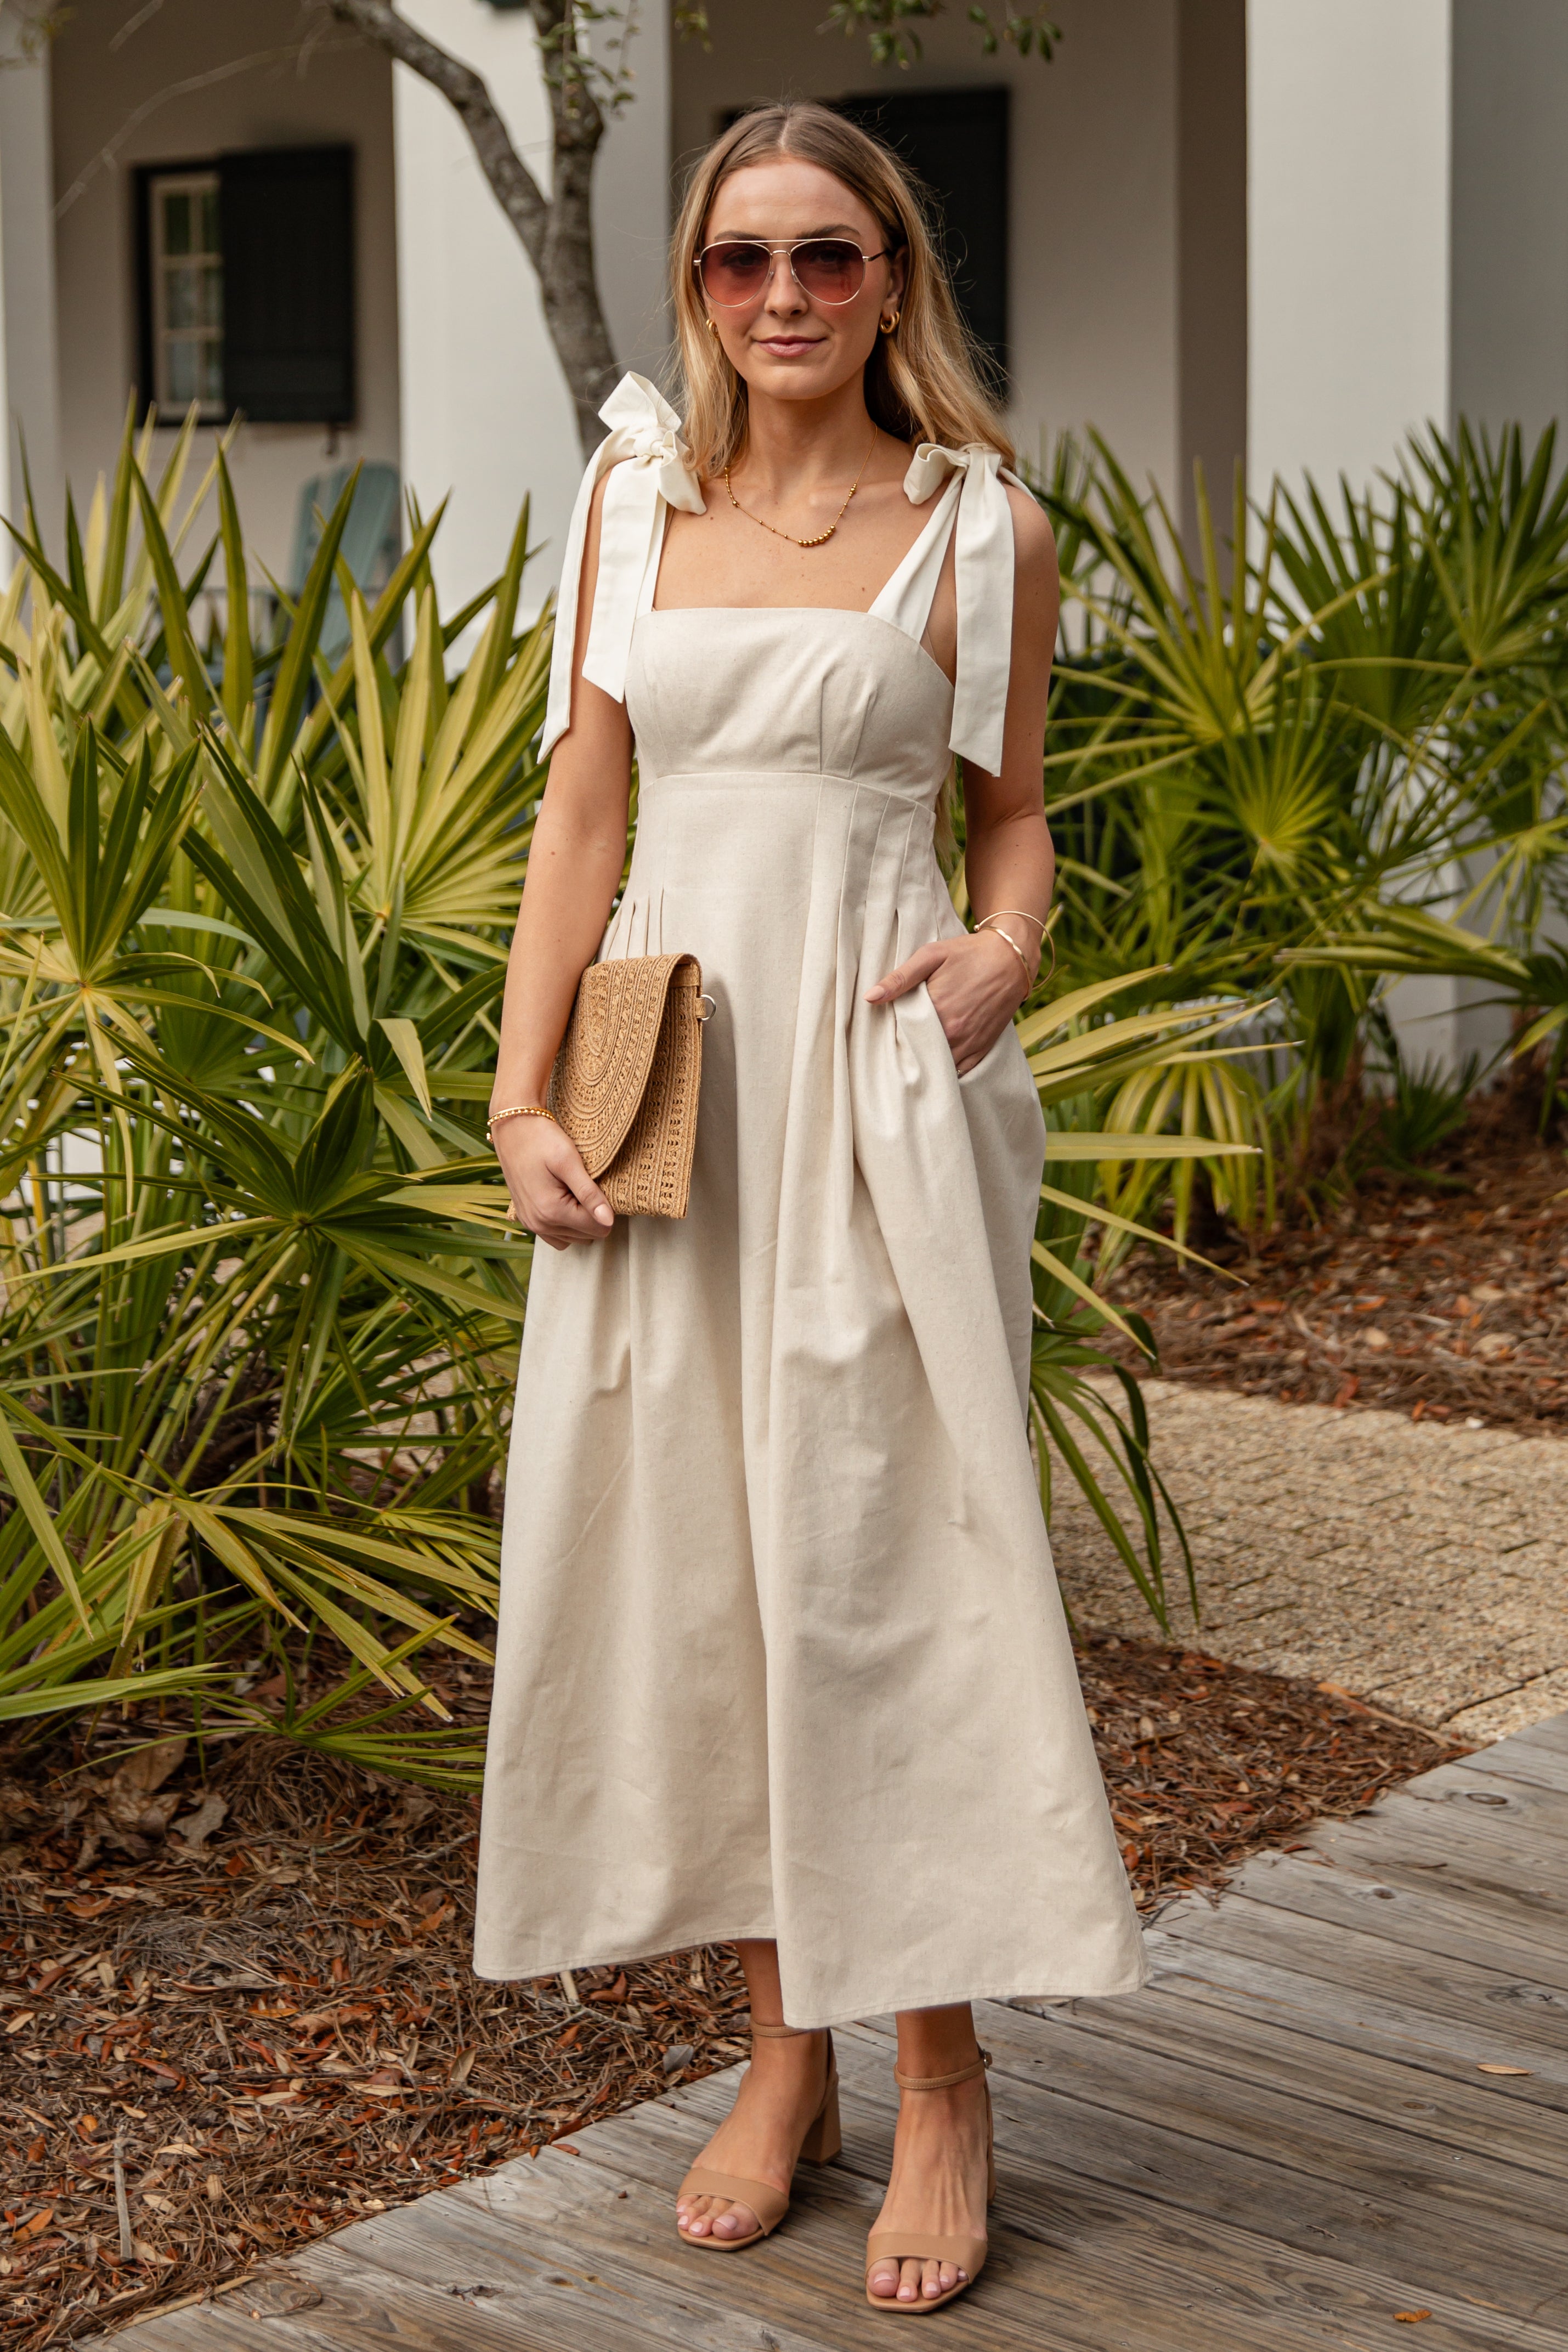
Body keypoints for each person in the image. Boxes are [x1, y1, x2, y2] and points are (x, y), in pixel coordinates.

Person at [475, 100, 1145, 2315]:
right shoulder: (622, 508)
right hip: (665, 1087)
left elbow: (1013, 815)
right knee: (704, 1564)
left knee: (874, 1560)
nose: (783, 296)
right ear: (697, 281)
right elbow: (584, 813)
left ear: (889, 279)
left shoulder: (983, 529)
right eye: (746, 258)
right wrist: (516, 1093)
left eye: (828, 256)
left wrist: (1008, 945)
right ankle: (785, 2054)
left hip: (872, 1092)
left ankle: (939, 2071)